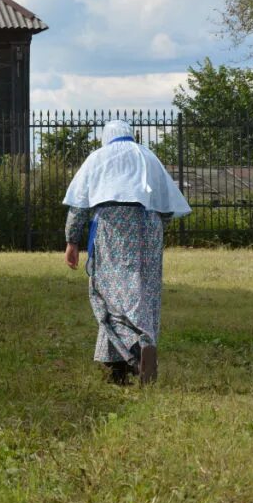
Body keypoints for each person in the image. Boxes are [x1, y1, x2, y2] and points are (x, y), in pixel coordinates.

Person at [62, 120, 190, 385]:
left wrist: (72, 241)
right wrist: (151, 230)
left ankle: (135, 349)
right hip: (149, 226)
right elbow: (166, 206)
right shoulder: (148, 156)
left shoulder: (98, 157)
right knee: (143, 291)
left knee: (108, 292)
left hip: (113, 226)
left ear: (106, 138)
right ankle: (119, 364)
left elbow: (79, 206)